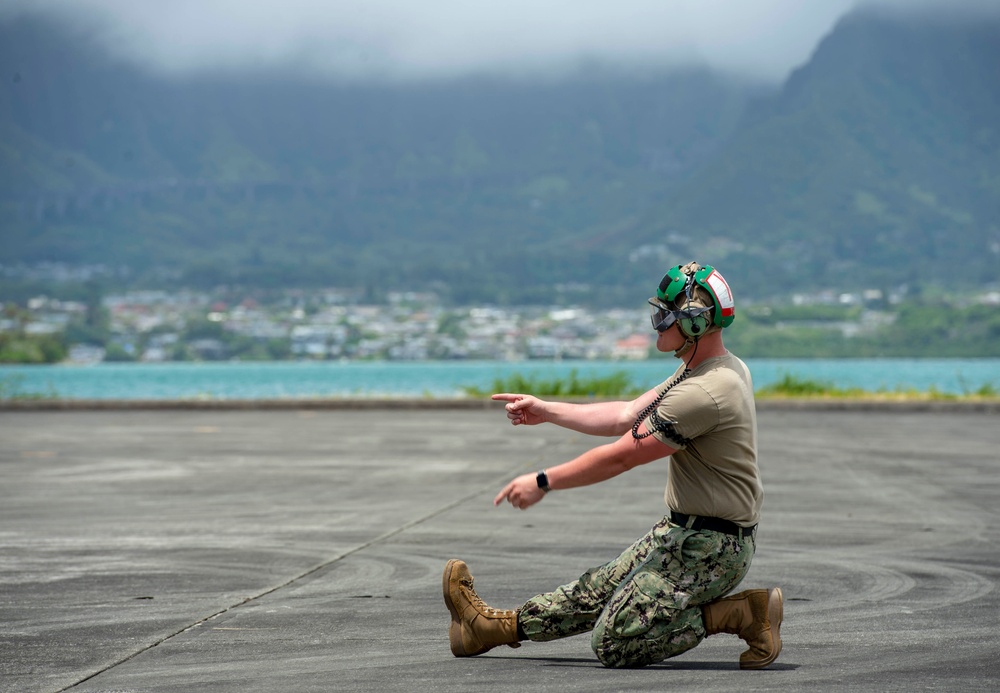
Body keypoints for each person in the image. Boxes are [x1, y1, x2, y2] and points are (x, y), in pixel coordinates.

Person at [442, 261, 782, 669]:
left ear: (694, 323)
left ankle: (740, 614)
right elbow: (625, 416)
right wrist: (546, 410)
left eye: (665, 317)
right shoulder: (705, 369)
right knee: (592, 593)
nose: (657, 324)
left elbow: (622, 456)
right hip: (683, 532)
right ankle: (485, 629)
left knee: (615, 641)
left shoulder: (706, 391)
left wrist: (544, 481)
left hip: (711, 548)